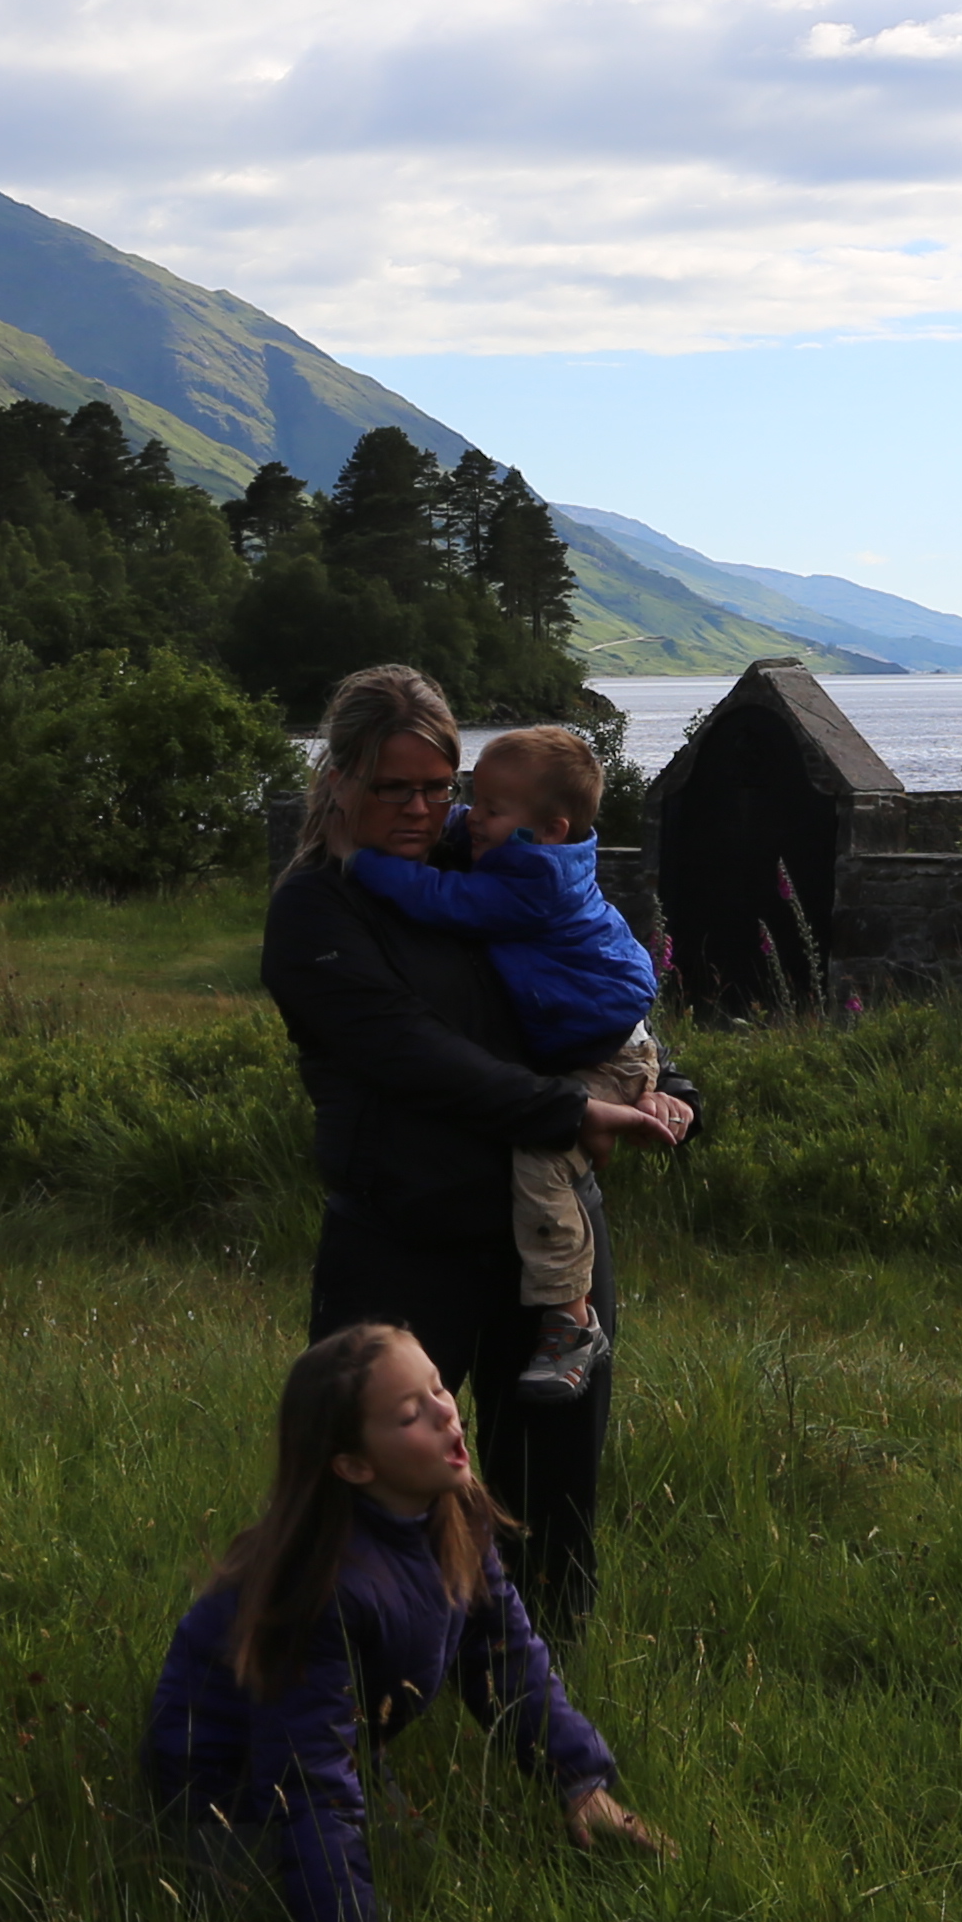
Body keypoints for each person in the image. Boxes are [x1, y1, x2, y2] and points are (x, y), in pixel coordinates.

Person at [261, 667, 690, 1631]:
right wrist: (569, 1116)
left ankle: (542, 1734)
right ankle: (337, 1718)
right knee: (362, 1501)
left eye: (438, 787)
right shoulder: (317, 910)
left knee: (554, 1505)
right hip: (406, 1238)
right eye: (393, 787)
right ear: (338, 779)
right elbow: (411, 1055)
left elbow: (577, 982)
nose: (421, 810)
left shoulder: (488, 858)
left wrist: (671, 1087)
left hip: (547, 1246)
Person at [140, 1322, 667, 1922]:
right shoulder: (320, 1588)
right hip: (234, 1787)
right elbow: (305, 1782)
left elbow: (507, 1658)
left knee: (425, 1873)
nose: (447, 1412)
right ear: (354, 1465)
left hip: (346, 1748)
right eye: (413, 1413)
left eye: (439, 1388)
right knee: (308, 1908)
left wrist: (581, 1779)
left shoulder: (456, 1512)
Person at [340, 726, 661, 1405]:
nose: (458, 816)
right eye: (402, 790)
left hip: (602, 1055)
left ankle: (570, 1319)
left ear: (547, 828)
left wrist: (363, 863)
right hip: (589, 1046)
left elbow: (441, 900)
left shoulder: (531, 881)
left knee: (542, 1162)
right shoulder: (525, 852)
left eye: (477, 806)